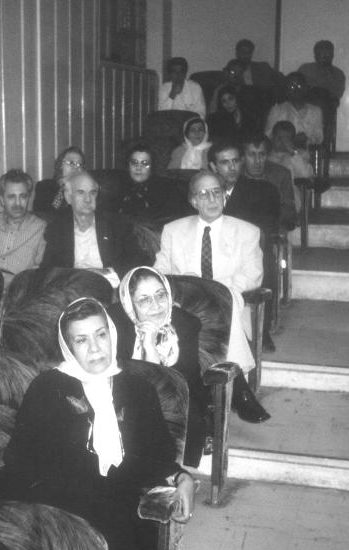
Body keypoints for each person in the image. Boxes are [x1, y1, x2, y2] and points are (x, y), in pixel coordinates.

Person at [0, 297, 197, 550]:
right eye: (81, 340)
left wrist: (182, 478)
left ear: (112, 334)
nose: (94, 348)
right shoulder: (47, 387)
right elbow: (20, 458)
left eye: (100, 335)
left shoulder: (138, 389)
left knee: (132, 547)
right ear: (68, 346)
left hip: (120, 498)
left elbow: (156, 454)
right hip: (60, 502)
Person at [154, 170, 271, 423]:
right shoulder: (173, 231)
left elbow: (253, 274)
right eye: (203, 194)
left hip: (230, 300)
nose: (211, 199)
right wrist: (187, 287)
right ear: (193, 200)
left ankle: (216, 396)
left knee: (219, 303)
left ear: (225, 196)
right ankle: (239, 391)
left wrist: (218, 290)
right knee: (194, 312)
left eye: (217, 192)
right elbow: (161, 272)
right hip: (186, 303)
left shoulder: (247, 231)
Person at [108, 266, 212, 464]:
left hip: (181, 397)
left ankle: (175, 473)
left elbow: (174, 384)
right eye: (144, 300)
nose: (156, 306)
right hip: (128, 394)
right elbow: (119, 377)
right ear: (129, 303)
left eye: (160, 295)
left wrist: (150, 348)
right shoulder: (114, 323)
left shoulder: (186, 324)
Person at [208, 141, 280, 352]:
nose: (232, 167)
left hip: (244, 251)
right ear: (213, 166)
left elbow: (263, 232)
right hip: (210, 249)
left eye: (235, 161)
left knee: (264, 258)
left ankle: (260, 330)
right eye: (225, 163)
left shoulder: (263, 191)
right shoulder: (203, 189)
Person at [41, 172, 151, 286]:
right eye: (81, 192)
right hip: (73, 288)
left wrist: (107, 272)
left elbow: (140, 260)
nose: (88, 199)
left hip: (109, 286)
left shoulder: (117, 224)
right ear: (68, 197)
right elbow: (48, 270)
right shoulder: (57, 229)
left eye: (92, 193)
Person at [115, 143, 186, 221]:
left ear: (152, 167)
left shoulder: (166, 189)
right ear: (128, 165)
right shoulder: (117, 187)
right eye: (134, 162)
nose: (138, 168)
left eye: (145, 163)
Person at [243, 132, 299, 229]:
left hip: (272, 229)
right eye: (252, 155)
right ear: (243, 157)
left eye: (262, 154)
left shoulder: (281, 175)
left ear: (267, 155)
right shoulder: (235, 175)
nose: (257, 161)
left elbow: (289, 210)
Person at [298, 40, 346, 144]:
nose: (325, 57)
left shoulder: (338, 73)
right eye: (322, 54)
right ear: (315, 55)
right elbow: (298, 88)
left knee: (322, 96)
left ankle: (322, 144)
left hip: (326, 106)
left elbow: (336, 94)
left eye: (328, 54)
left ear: (332, 55)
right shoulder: (306, 69)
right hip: (305, 103)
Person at [265, 72, 324, 147]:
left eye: (299, 85)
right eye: (292, 86)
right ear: (286, 90)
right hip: (282, 151)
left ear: (306, 88)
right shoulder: (277, 110)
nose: (296, 89)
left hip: (307, 150)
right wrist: (288, 139)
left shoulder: (315, 111)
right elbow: (268, 135)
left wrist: (307, 139)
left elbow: (319, 137)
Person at [33, 146, 85, 219]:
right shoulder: (44, 186)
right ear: (61, 165)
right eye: (72, 163)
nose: (76, 168)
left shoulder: (86, 191)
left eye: (79, 165)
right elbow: (42, 216)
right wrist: (63, 188)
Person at [235, 38, 284, 111]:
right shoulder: (231, 71)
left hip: (264, 104)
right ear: (237, 53)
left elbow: (282, 78)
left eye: (249, 52)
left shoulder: (263, 67)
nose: (246, 55)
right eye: (243, 52)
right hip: (243, 106)